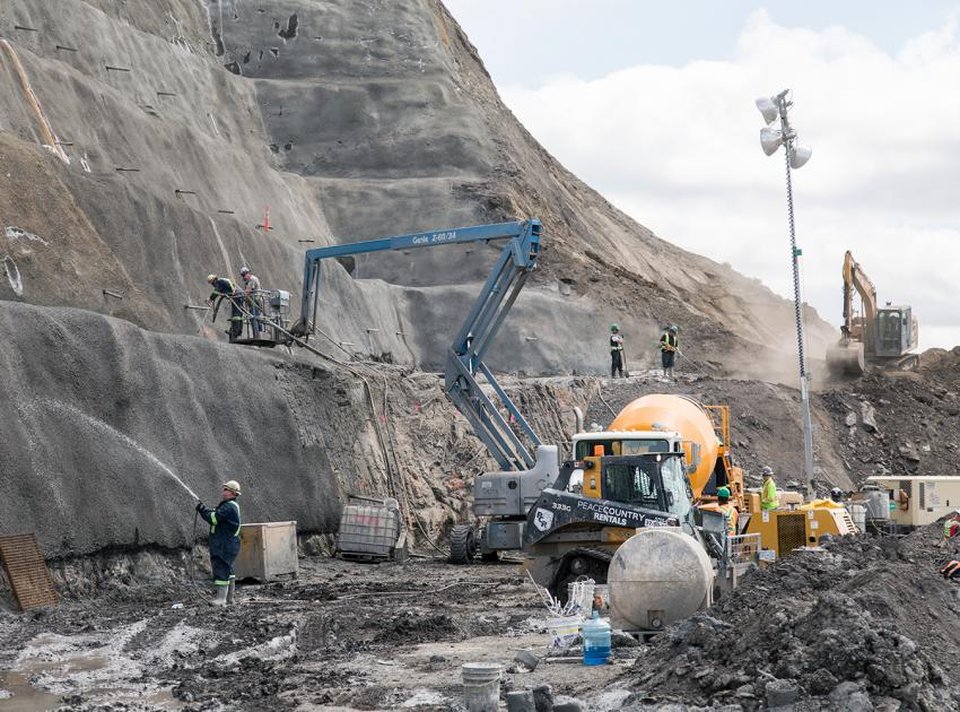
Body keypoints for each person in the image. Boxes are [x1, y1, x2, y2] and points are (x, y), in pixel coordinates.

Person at [195, 480, 243, 606]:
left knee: (221, 568)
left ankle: (221, 599)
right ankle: (229, 599)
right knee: (228, 569)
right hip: (228, 543)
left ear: (232, 493)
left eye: (226, 489)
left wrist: (202, 510)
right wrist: (205, 508)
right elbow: (215, 513)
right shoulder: (228, 506)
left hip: (224, 544)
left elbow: (214, 518)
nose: (223, 491)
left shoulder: (229, 506)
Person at [207, 274, 244, 342]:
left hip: (237, 295)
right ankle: (238, 331)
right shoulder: (222, 281)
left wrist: (210, 299)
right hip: (239, 294)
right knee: (239, 314)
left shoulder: (219, 282)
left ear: (214, 280)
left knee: (236, 315)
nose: (212, 284)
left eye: (212, 283)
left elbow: (216, 292)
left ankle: (235, 332)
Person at [239, 266, 263, 334]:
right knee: (255, 317)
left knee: (254, 317)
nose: (244, 277)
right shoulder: (248, 281)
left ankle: (257, 333)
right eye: (242, 275)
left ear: (248, 273)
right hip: (253, 301)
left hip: (255, 301)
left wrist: (240, 296)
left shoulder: (252, 279)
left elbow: (248, 291)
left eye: (244, 275)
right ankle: (259, 332)